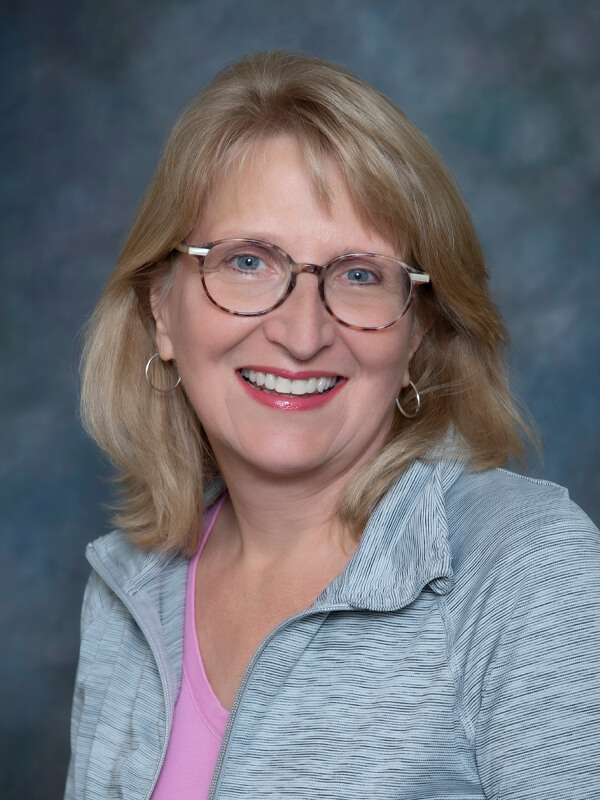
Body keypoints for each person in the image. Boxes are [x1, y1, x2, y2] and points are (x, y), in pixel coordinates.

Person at [65, 51, 600, 800]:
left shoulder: (522, 566)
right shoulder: (129, 587)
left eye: (358, 274)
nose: (302, 332)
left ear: (415, 332)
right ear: (162, 311)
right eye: (248, 261)